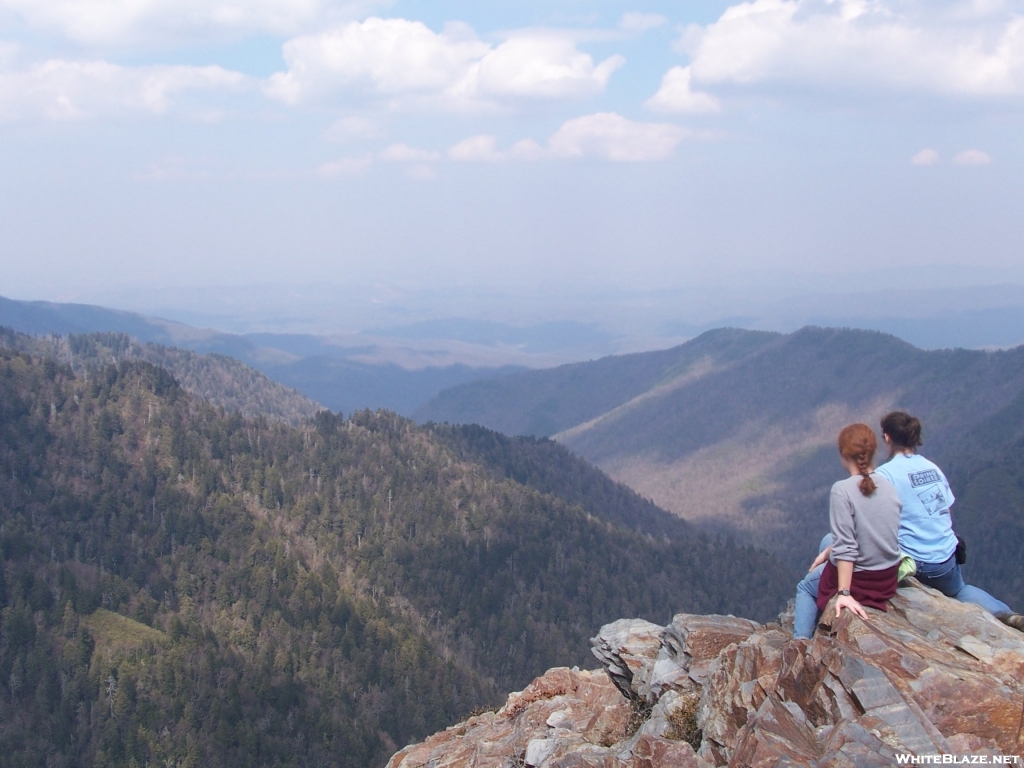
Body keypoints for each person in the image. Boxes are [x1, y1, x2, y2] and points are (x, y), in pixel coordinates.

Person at [876, 411, 1024, 632]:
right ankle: (1009, 616)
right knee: (959, 591)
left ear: (887, 437)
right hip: (947, 560)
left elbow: (875, 525)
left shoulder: (884, 475)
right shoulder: (932, 468)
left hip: (916, 564)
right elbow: (944, 512)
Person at [793, 424, 902, 639]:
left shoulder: (842, 490)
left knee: (806, 587)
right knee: (827, 541)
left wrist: (844, 593)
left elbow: (846, 549)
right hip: (888, 576)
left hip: (862, 581)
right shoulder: (888, 484)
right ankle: (827, 555)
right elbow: (878, 531)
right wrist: (829, 551)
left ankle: (800, 643)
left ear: (843, 456)